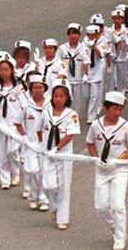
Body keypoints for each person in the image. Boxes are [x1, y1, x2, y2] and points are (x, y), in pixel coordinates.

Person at [86, 91, 128, 250]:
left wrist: (118, 161)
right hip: (102, 169)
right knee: (101, 206)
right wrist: (96, 158)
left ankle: (120, 238)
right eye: (114, 109)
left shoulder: (126, 126)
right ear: (105, 108)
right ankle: (114, 225)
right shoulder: (96, 125)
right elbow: (90, 143)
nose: (117, 112)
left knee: (118, 205)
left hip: (119, 170)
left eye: (120, 109)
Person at [42, 78, 80, 230]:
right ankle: (54, 207)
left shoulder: (71, 115)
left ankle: (62, 218)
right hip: (48, 152)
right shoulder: (46, 113)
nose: (58, 99)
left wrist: (57, 149)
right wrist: (42, 146)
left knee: (63, 185)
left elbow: (70, 135)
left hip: (63, 154)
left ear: (67, 98)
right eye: (55, 96)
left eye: (61, 96)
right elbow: (40, 130)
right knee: (48, 185)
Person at [14, 72, 50, 211]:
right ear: (31, 89)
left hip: (46, 144)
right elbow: (17, 122)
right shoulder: (26, 105)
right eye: (35, 87)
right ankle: (33, 196)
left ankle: (43, 199)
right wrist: (24, 137)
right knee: (32, 170)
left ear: (44, 89)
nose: (37, 90)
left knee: (43, 172)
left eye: (40, 87)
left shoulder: (50, 104)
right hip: (31, 144)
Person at [0, 54, 24, 190]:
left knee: (13, 150)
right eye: (1, 69)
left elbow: (23, 106)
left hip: (14, 124)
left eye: (6, 69)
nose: (4, 72)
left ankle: (15, 173)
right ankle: (5, 178)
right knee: (2, 152)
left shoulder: (19, 87)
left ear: (12, 70)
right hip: (1, 123)